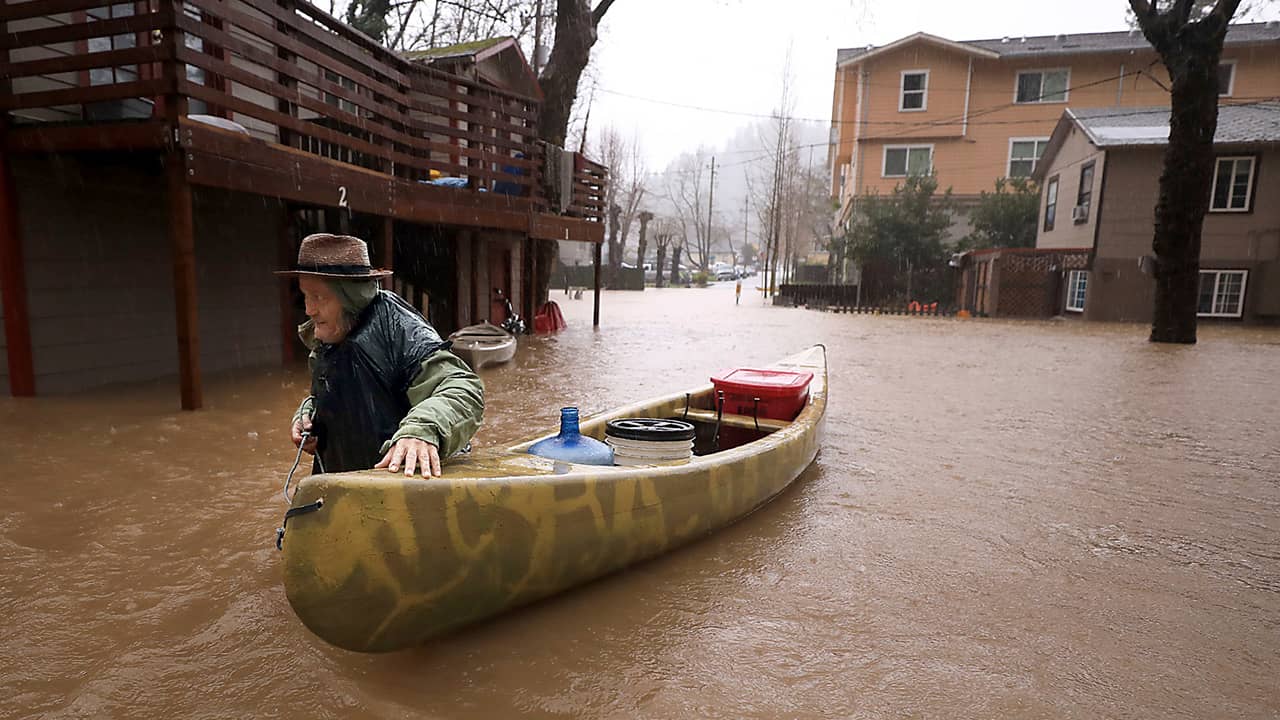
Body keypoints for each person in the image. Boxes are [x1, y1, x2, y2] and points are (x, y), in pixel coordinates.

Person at [278, 233, 484, 478]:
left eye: (319, 297)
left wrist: (421, 430)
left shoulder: (398, 328)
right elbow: (329, 393)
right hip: (346, 489)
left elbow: (464, 388)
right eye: (305, 296)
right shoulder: (328, 334)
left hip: (405, 487)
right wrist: (308, 417)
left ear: (350, 297)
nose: (309, 310)